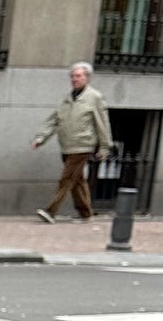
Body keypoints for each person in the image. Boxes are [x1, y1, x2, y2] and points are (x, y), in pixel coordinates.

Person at [32, 61, 111, 221]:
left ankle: (50, 211)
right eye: (72, 76)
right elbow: (54, 120)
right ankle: (86, 213)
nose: (74, 79)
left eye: (78, 76)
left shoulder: (94, 97)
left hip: (82, 145)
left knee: (67, 179)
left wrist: (104, 146)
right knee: (77, 180)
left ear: (87, 78)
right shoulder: (67, 98)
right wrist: (41, 138)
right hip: (66, 146)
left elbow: (102, 123)